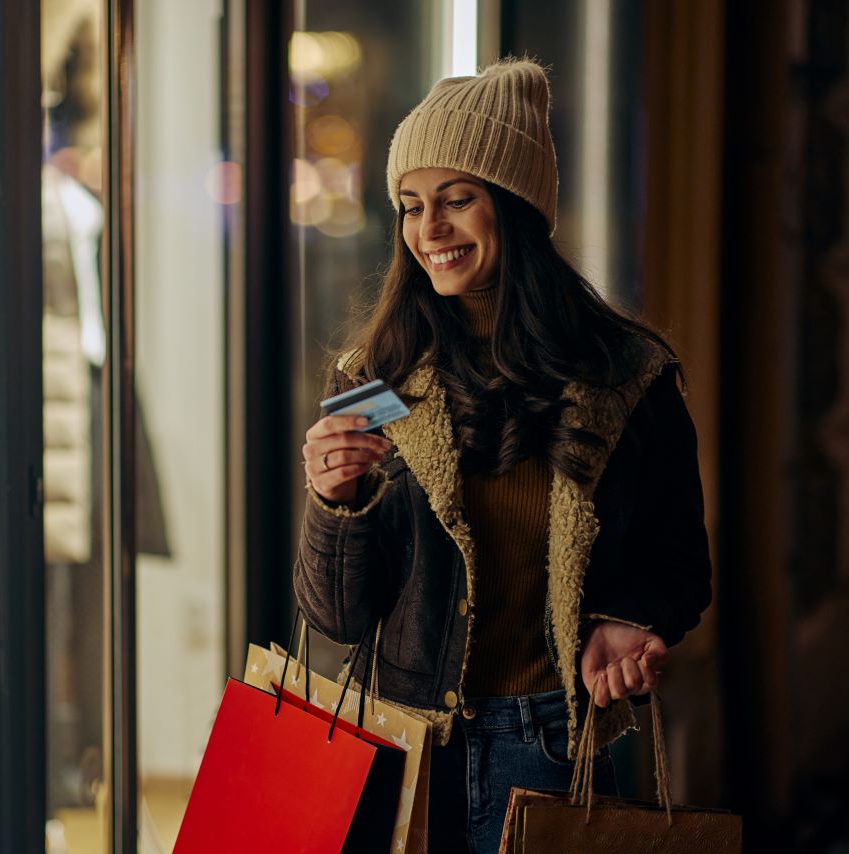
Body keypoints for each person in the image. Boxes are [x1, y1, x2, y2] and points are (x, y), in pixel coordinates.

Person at [293, 58, 712, 853]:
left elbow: (681, 564)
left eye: (458, 200)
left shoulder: (627, 376)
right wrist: (333, 506)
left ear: (515, 207)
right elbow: (338, 617)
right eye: (413, 207)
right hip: (407, 754)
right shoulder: (377, 374)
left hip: (553, 753)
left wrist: (627, 621)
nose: (431, 230)